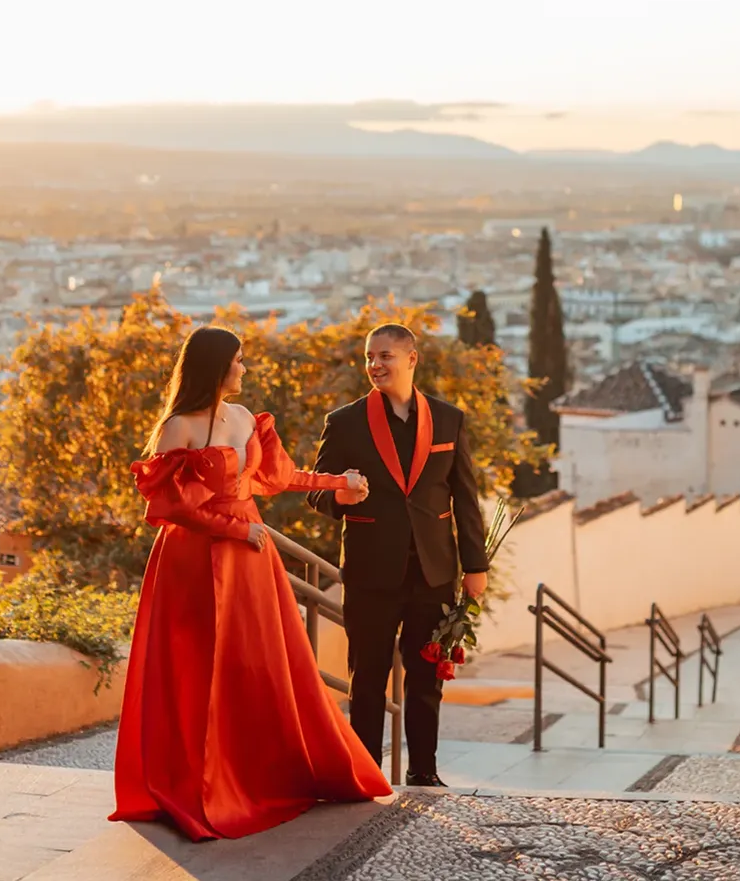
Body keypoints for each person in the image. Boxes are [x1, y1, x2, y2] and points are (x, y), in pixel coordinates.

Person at [110, 325, 391, 841]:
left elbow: (279, 477)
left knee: (259, 663)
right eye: (238, 361)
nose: (244, 369)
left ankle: (261, 773)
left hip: (250, 557)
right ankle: (204, 785)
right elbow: (170, 507)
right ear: (216, 366)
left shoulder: (242, 418)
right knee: (200, 670)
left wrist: (339, 482)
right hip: (195, 560)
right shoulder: (179, 427)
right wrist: (239, 528)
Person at [308, 323, 489, 787]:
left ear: (412, 359)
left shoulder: (449, 419)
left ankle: (423, 772)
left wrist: (476, 567)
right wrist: (338, 499)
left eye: (385, 356)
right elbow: (316, 489)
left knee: (427, 680)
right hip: (370, 571)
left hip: (434, 571)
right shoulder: (345, 421)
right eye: (370, 357)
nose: (375, 365)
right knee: (366, 679)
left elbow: (465, 499)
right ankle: (366, 774)